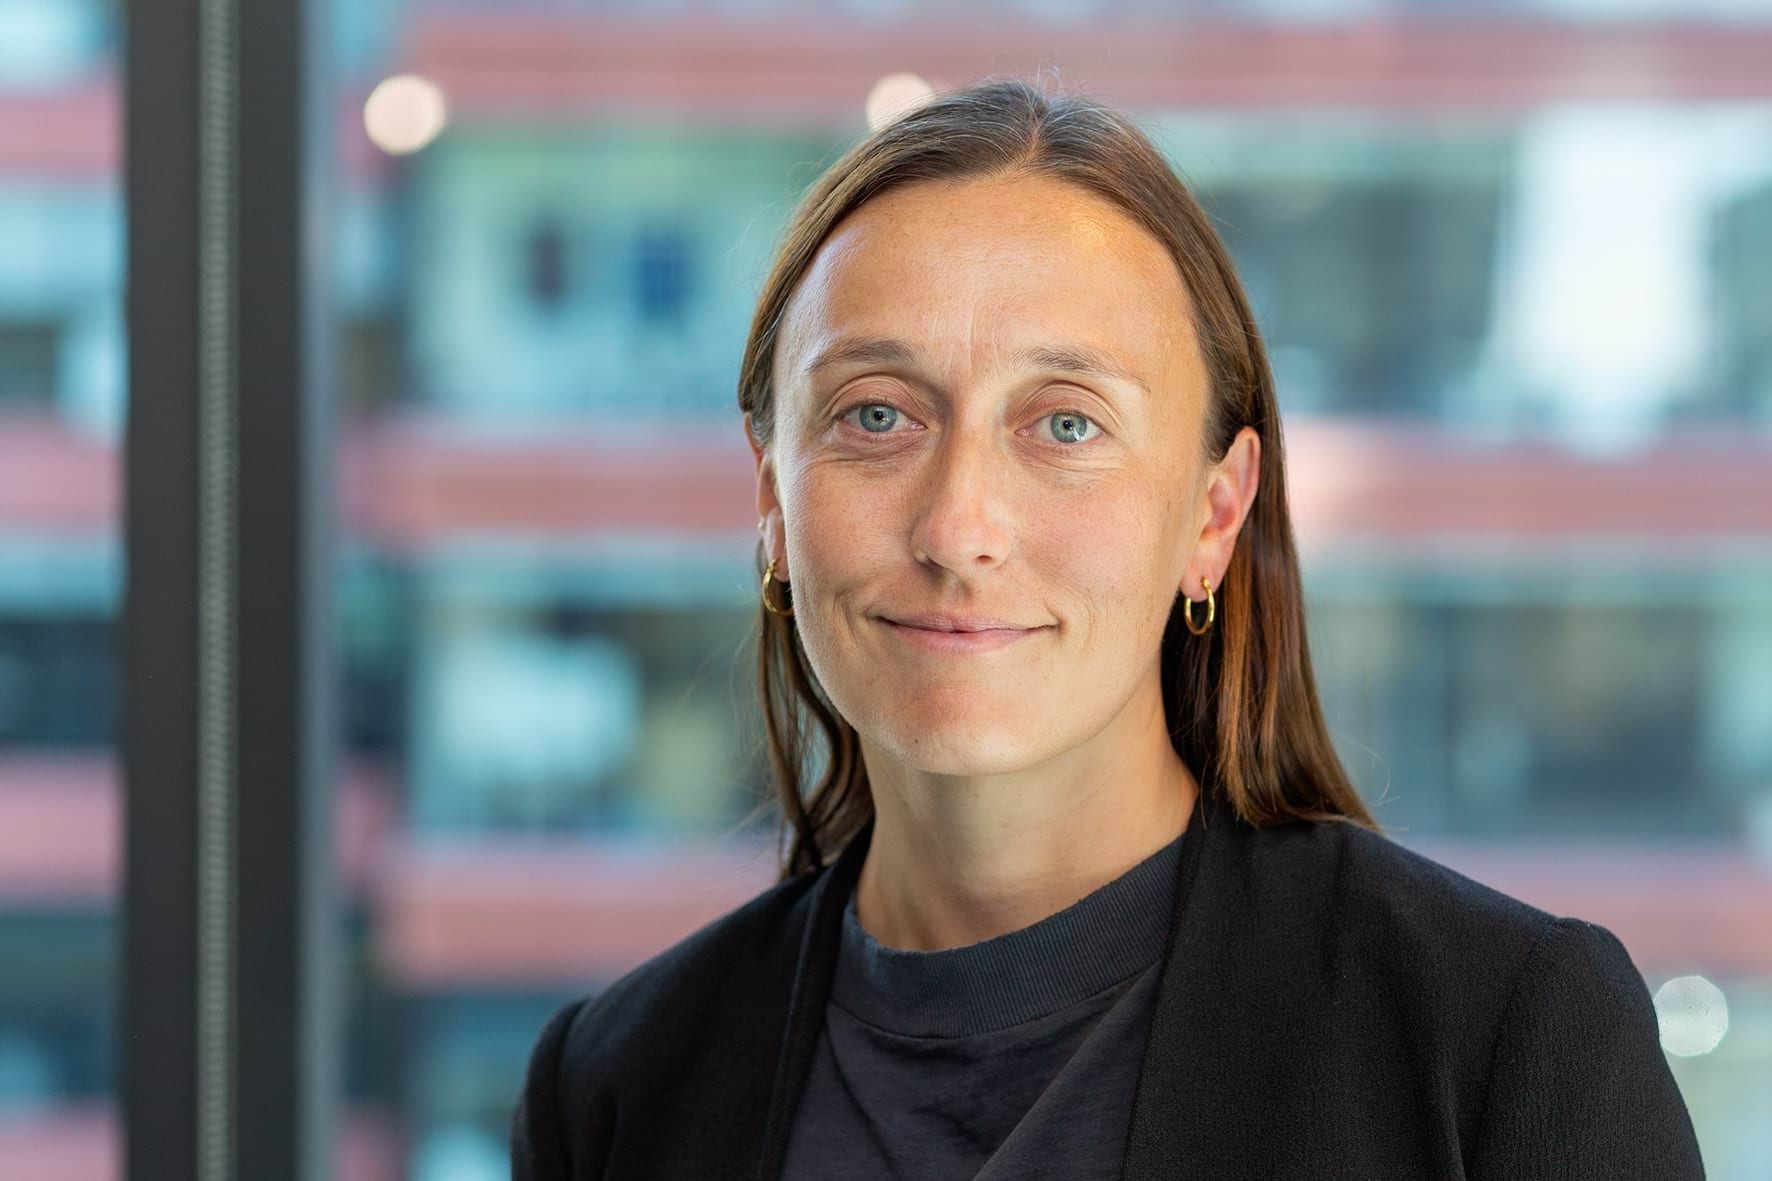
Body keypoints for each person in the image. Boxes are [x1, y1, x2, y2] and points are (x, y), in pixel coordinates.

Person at [511, 77, 1705, 1180]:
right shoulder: (613, 1087)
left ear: (1213, 512)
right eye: (875, 413)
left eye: (1065, 424)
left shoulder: (1500, 1039)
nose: (957, 526)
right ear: (772, 493)